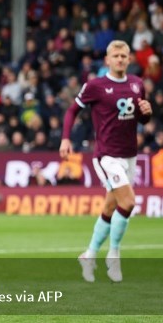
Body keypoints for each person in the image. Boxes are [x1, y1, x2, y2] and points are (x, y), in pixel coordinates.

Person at [60, 40, 152, 283]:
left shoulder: (137, 84)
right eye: (116, 55)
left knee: (112, 206)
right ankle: (114, 255)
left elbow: (141, 119)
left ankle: (89, 254)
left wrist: (147, 113)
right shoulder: (96, 86)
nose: (120, 59)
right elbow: (72, 111)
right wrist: (65, 139)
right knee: (129, 201)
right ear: (108, 60)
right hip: (106, 156)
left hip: (130, 155)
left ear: (129, 59)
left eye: (124, 55)